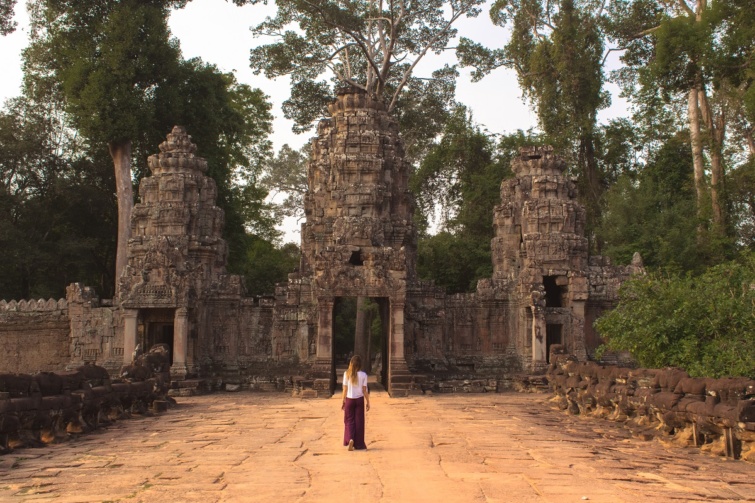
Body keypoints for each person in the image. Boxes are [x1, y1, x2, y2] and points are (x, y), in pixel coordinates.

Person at [341, 354, 370, 450]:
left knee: (349, 420)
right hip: (359, 400)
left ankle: (350, 438)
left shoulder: (346, 374)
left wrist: (343, 400)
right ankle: (359, 444)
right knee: (359, 422)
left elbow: (345, 389)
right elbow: (364, 390)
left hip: (349, 399)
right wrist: (368, 401)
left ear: (351, 363)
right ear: (360, 364)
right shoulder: (363, 375)